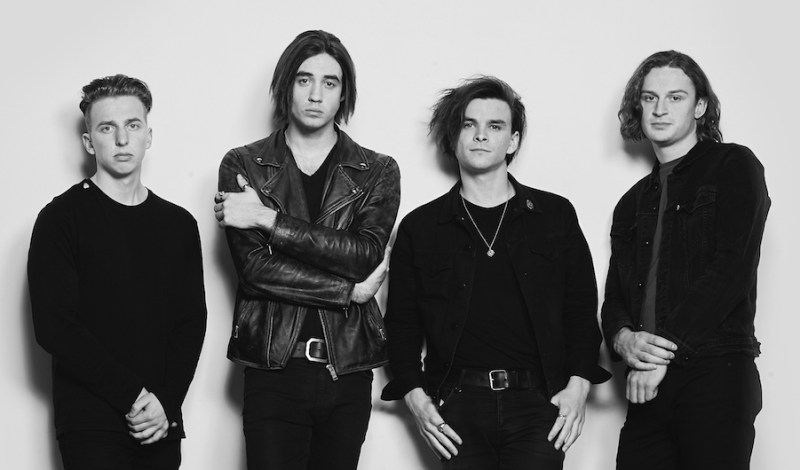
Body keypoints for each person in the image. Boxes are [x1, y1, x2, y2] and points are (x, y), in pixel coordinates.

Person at [381, 76, 609, 469]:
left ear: (513, 141)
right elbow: (401, 325)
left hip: (539, 403)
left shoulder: (554, 215)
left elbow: (581, 310)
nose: (481, 136)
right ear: (453, 137)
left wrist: (578, 387)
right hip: (456, 406)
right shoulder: (420, 228)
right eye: (468, 124)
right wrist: (417, 400)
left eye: (495, 126)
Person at [213, 30, 400, 470]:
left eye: (329, 83)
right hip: (273, 369)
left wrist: (268, 220)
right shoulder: (244, 164)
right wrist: (347, 292)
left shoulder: (377, 170)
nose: (316, 95)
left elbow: (364, 255)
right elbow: (256, 271)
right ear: (286, 86)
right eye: (304, 80)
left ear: (343, 94)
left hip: (347, 370)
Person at [28, 74, 207, 470]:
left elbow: (191, 322)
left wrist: (165, 402)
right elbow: (55, 326)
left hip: (159, 422)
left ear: (148, 135)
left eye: (133, 125)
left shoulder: (179, 225)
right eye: (107, 128)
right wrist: (134, 396)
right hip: (91, 424)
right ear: (89, 141)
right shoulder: (60, 219)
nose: (122, 139)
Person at [601, 50, 770, 470]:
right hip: (646, 383)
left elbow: (731, 270)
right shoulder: (630, 203)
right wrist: (623, 339)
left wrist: (662, 355)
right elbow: (615, 297)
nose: (660, 109)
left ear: (700, 106)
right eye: (649, 98)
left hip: (715, 371)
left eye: (675, 97)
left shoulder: (734, 165)